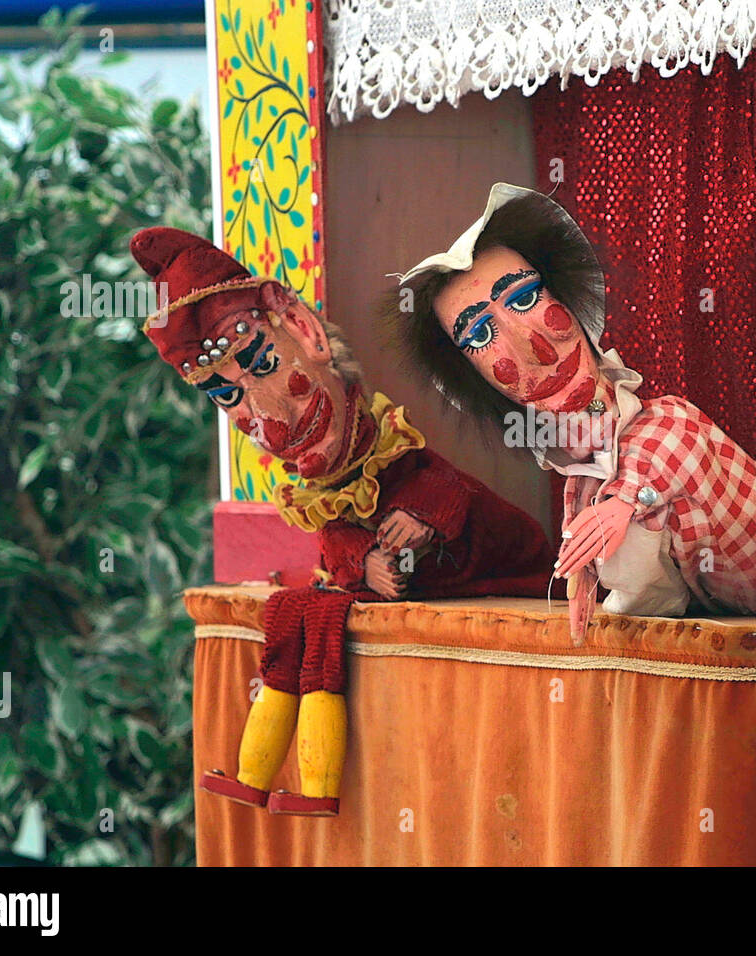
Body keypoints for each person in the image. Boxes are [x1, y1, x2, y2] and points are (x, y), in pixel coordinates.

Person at [130, 227, 553, 815]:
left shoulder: (386, 446)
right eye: (230, 398)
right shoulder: (319, 491)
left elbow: (446, 489)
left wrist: (423, 518)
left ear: (303, 331)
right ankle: (266, 775)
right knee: (302, 618)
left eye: (263, 363)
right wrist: (366, 564)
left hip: (522, 598)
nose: (270, 421)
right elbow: (339, 541)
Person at [381, 184, 756, 644]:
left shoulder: (662, 427)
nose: (533, 347)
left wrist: (627, 502)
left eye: (527, 298)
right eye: (482, 334)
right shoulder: (582, 480)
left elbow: (675, 435)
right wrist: (584, 578)